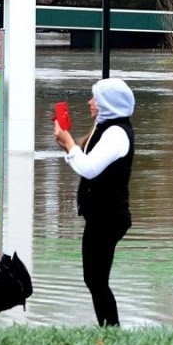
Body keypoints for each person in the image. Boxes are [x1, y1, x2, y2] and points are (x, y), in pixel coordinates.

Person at [53, 78, 135, 328]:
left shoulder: (116, 133)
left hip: (108, 217)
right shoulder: (105, 128)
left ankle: (112, 332)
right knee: (94, 278)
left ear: (108, 104)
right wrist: (68, 145)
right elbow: (85, 162)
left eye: (95, 99)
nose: (90, 102)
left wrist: (68, 144)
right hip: (101, 215)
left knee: (96, 279)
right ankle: (109, 331)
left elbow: (89, 169)